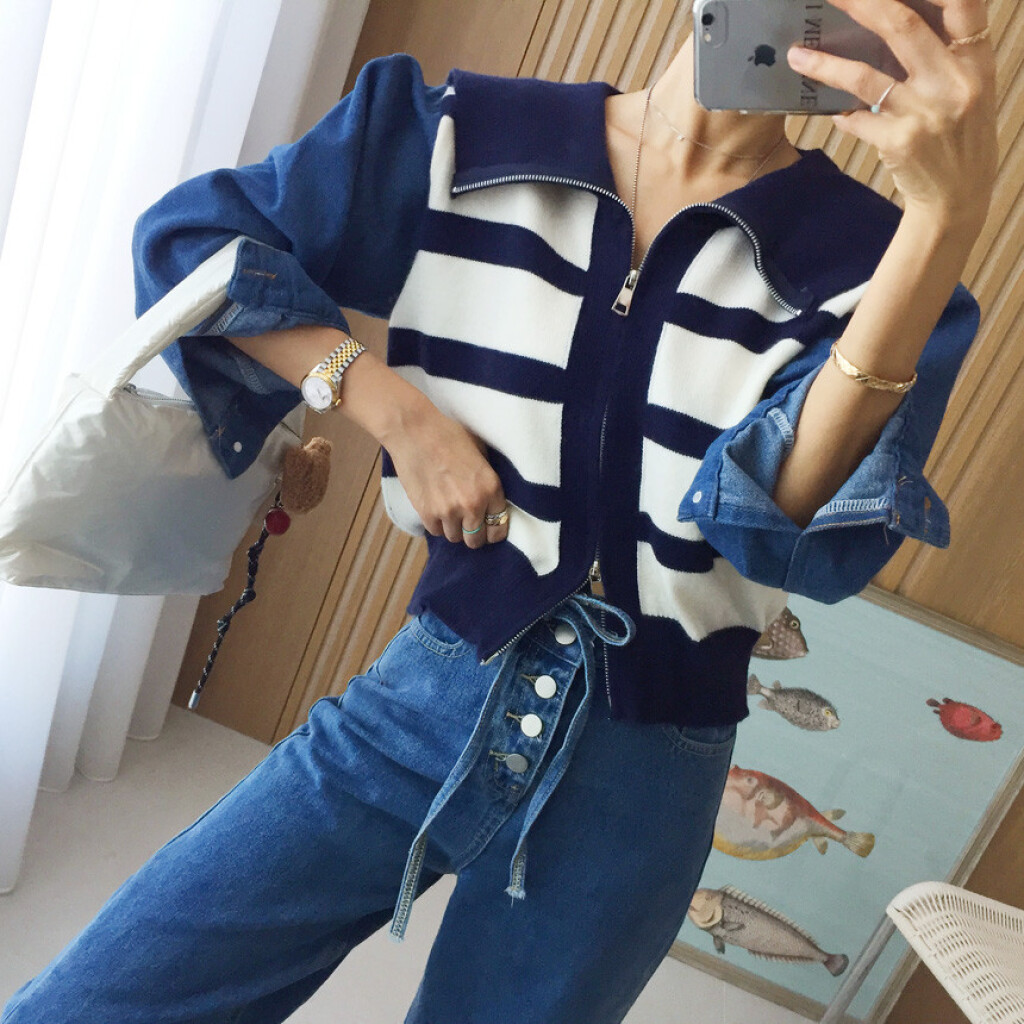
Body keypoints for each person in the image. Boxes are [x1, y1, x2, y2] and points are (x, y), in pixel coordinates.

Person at [2, 1, 996, 1021]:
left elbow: (780, 534)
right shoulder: (467, 138)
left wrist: (943, 223)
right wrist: (394, 412)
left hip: (646, 774)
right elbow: (197, 245)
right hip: (428, 691)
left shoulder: (877, 266)